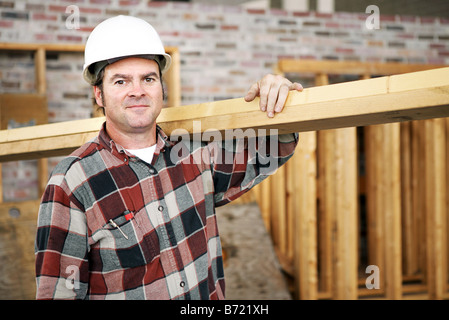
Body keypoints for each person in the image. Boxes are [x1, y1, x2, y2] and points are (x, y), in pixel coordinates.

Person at [35, 15, 303, 300]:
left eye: (148, 79)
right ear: (99, 94)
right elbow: (60, 293)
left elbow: (273, 150)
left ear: (161, 87)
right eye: (121, 81)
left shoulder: (195, 156)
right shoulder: (72, 183)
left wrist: (278, 99)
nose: (137, 91)